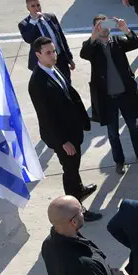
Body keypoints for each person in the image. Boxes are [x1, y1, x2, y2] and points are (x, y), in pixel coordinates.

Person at [28, 37, 101, 222]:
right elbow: (47, 118)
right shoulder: (37, 83)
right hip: (62, 137)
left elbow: (69, 93)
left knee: (74, 167)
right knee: (70, 170)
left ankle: (79, 190)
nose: (53, 55)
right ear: (38, 55)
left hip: (72, 130)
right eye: (48, 53)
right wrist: (63, 142)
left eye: (54, 51)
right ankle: (75, 210)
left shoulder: (53, 68)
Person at [81, 15, 138, 175]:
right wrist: (93, 36)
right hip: (107, 98)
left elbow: (136, 43)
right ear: (94, 28)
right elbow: (84, 53)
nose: (104, 28)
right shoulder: (93, 47)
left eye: (106, 24)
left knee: (133, 127)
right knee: (113, 133)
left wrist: (125, 29)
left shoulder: (118, 42)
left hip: (125, 95)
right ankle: (119, 161)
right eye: (100, 26)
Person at [19, 0, 75, 82]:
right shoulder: (24, 24)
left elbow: (61, 38)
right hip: (44, 63)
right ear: (28, 8)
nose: (36, 8)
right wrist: (33, 21)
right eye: (33, 6)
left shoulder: (50, 17)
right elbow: (28, 39)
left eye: (38, 5)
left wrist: (70, 58)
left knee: (66, 83)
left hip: (60, 59)